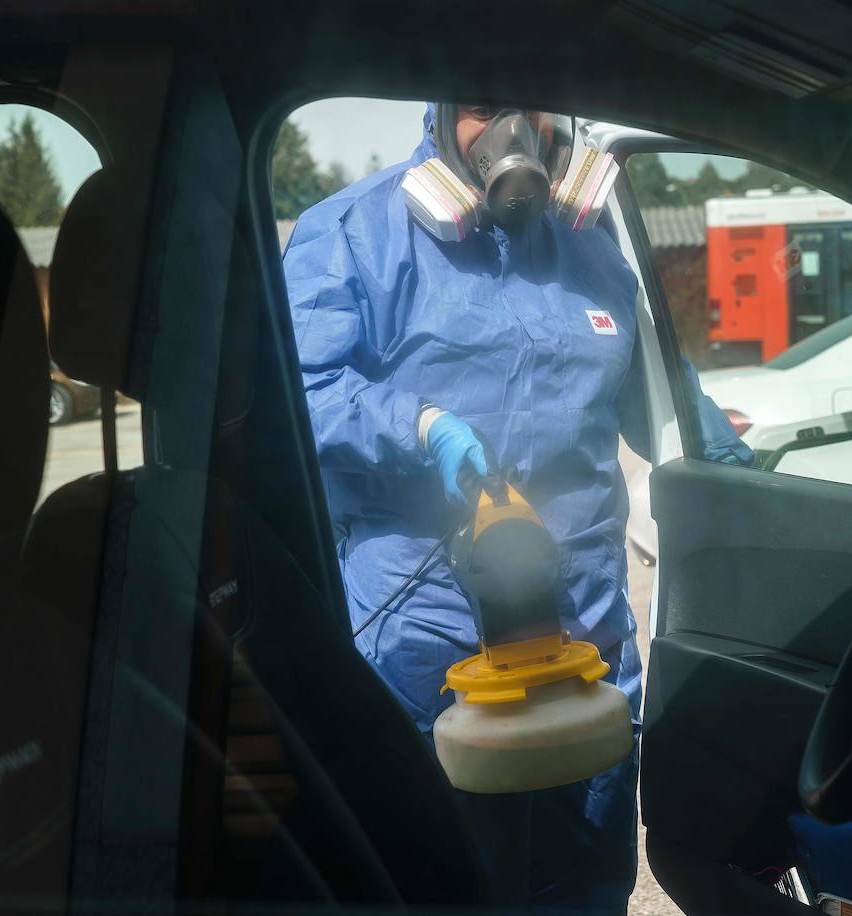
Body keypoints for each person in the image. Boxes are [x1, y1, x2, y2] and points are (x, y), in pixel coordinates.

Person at [283, 103, 751, 911]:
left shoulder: (593, 252)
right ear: (437, 110)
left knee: (583, 880)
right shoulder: (356, 234)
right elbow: (296, 387)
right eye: (480, 107)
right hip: (429, 648)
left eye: (531, 101)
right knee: (437, 877)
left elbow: (672, 412)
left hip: (585, 639)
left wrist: (756, 491)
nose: (511, 129)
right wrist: (419, 425)